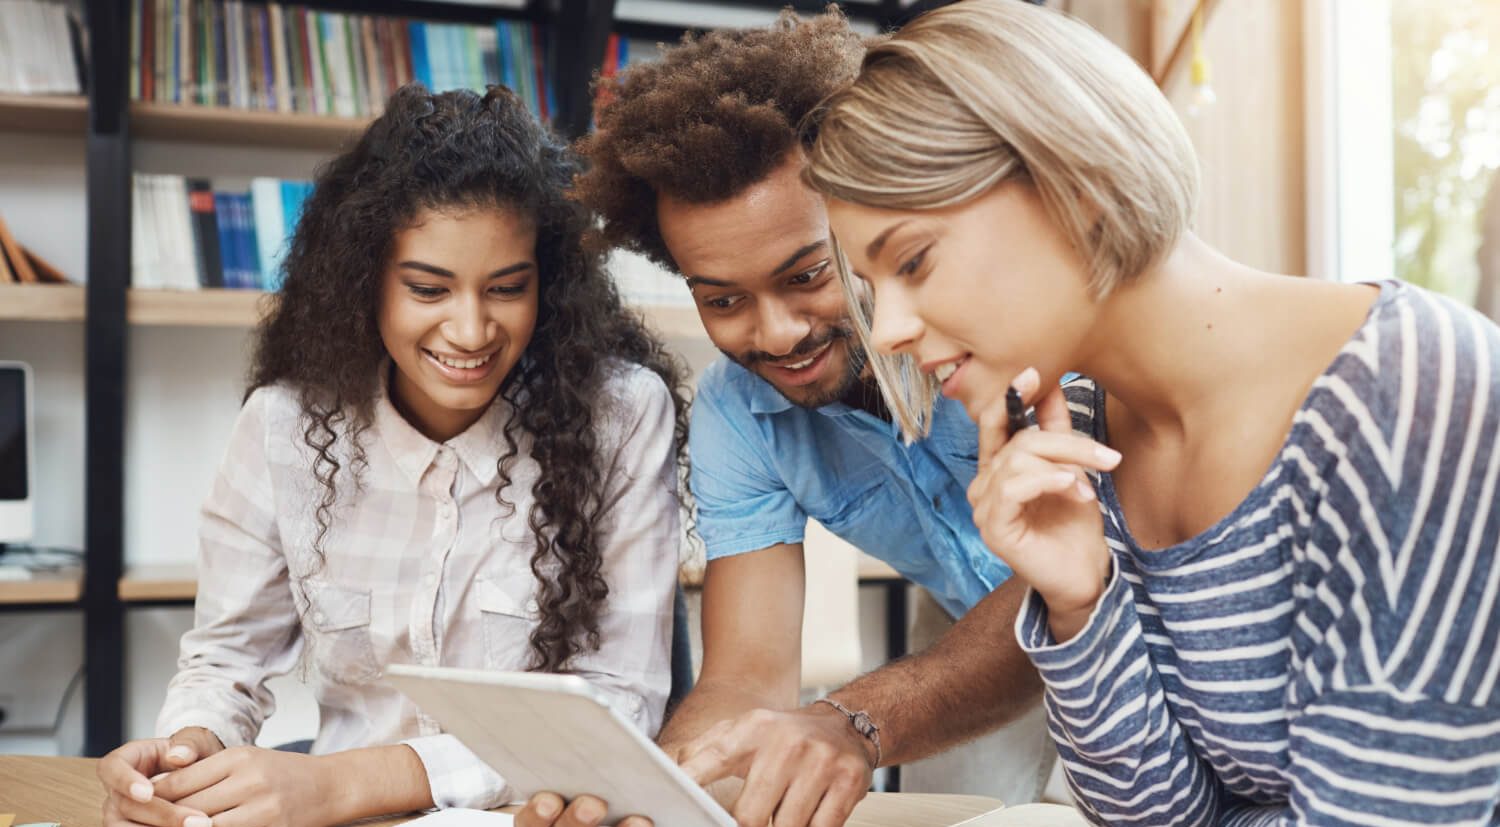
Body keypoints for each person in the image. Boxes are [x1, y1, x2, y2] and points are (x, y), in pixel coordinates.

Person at [805, 1, 1500, 824]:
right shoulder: (1085, 435)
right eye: (874, 290)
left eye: (913, 261)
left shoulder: (1410, 393)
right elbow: (1158, 816)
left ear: (1077, 182)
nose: (884, 331)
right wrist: (1078, 599)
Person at [97, 84, 690, 827]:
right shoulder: (283, 427)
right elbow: (226, 662)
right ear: (364, 279)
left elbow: (622, 697)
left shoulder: (620, 415)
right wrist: (182, 764)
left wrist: (347, 782)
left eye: (508, 288)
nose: (471, 329)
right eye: (428, 288)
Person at [517, 11, 1048, 827]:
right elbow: (745, 679)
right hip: (961, 633)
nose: (776, 332)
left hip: (1128, 612)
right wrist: (643, 799)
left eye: (806, 276)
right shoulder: (738, 417)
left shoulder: (999, 325)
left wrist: (850, 719)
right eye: (722, 300)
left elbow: (1071, 581)